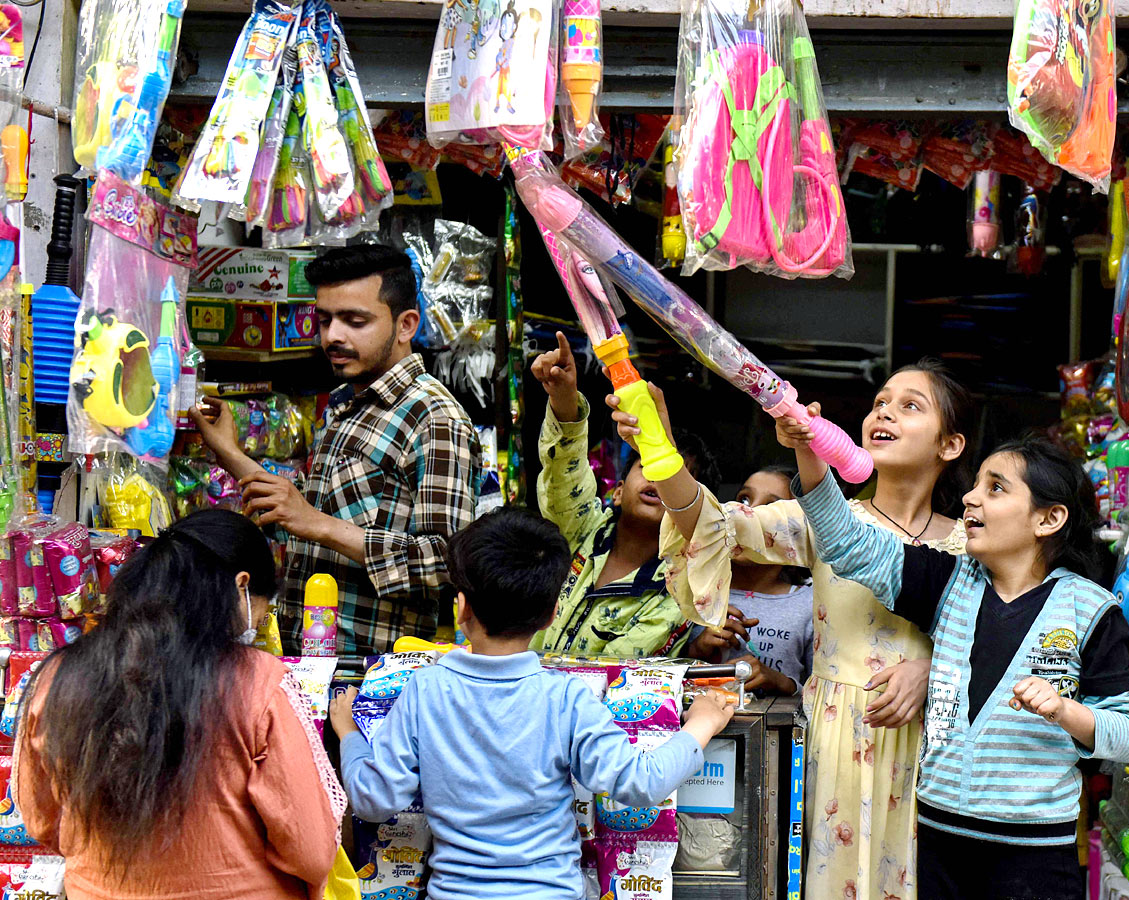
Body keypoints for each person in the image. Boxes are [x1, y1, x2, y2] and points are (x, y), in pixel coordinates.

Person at [609, 359, 972, 900]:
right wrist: (660, 450)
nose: (885, 413)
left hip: (931, 746)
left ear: (950, 445)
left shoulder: (973, 543)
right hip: (833, 740)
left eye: (909, 406)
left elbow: (1000, 644)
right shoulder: (821, 520)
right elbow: (711, 525)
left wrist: (931, 670)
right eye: (879, 404)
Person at [781, 427, 1129, 900]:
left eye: (995, 487)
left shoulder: (1092, 611)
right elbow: (849, 545)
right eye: (976, 484)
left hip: (1034, 858)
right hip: (937, 846)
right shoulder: (948, 583)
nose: (970, 497)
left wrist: (1063, 710)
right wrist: (808, 452)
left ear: (1049, 518)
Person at [329, 507, 735, 900]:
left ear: (462, 607)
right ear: (551, 615)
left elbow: (373, 799)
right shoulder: (565, 698)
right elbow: (641, 782)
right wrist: (703, 722)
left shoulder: (426, 690)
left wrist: (349, 733)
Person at [15, 509, 345, 900]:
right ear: (241, 585)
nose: (259, 621)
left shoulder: (58, 677)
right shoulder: (261, 683)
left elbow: (40, 820)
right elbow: (311, 848)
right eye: (263, 607)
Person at [192, 244, 483, 656]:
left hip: (372, 682)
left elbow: (449, 562)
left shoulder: (434, 419)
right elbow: (305, 516)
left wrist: (318, 524)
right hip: (307, 664)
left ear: (406, 325)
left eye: (355, 321)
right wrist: (230, 453)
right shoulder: (346, 405)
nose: (333, 336)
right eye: (324, 319)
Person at [530, 331, 721, 658]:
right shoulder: (582, 531)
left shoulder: (680, 589)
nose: (657, 479)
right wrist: (563, 398)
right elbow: (564, 472)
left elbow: (617, 666)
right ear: (617, 492)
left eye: (677, 479)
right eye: (646, 465)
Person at [686, 464, 813, 695]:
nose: (745, 515)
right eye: (744, 500)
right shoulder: (692, 587)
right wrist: (696, 651)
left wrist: (782, 683)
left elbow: (828, 697)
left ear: (799, 532)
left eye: (770, 508)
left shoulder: (812, 603)